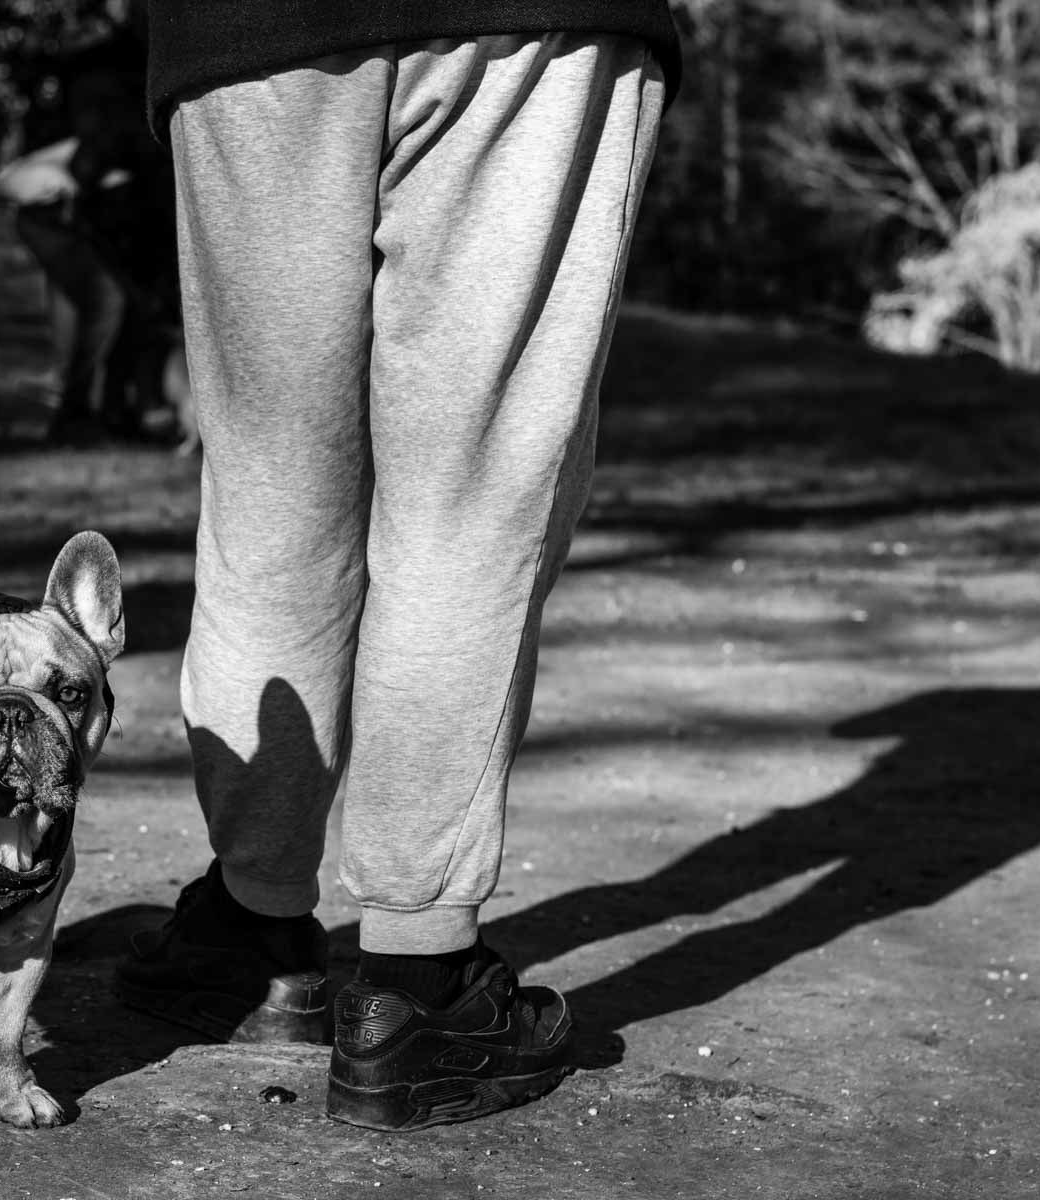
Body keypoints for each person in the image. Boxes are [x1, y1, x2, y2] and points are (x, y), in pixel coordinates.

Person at [112, 3, 682, 1131]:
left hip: (246, 31)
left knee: (273, 481)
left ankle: (252, 924)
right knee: (471, 487)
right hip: (518, 21)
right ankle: (416, 991)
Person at [0, 8, 179, 444]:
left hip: (90, 211)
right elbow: (87, 156)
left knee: (123, 306)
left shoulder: (126, 65)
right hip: (55, 212)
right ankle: (76, 414)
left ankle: (114, 411)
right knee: (106, 301)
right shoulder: (96, 76)